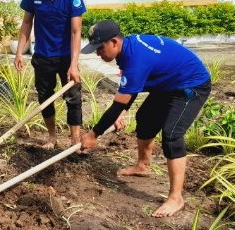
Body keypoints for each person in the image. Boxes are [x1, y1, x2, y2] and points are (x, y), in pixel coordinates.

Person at [79, 19, 211, 217]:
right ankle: (142, 166)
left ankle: (176, 198)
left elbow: (119, 102)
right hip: (168, 83)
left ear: (114, 42)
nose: (98, 53)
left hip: (191, 85)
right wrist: (122, 110)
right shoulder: (128, 49)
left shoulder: (136, 60)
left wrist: (93, 134)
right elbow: (129, 92)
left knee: (172, 134)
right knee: (146, 118)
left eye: (100, 48)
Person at [14, 0, 85, 148]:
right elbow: (27, 23)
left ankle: (74, 141)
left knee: (74, 98)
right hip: (43, 56)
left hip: (66, 57)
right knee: (45, 98)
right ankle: (52, 138)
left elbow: (76, 32)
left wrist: (74, 65)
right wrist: (19, 51)